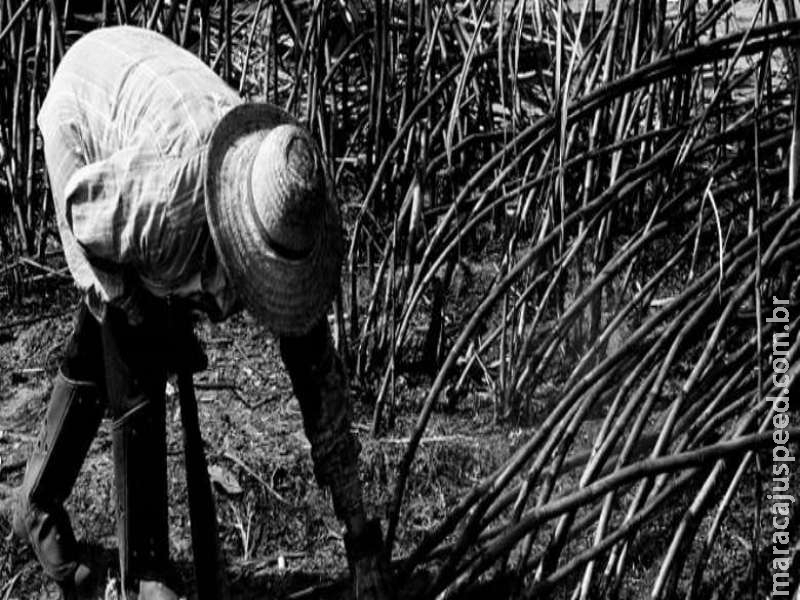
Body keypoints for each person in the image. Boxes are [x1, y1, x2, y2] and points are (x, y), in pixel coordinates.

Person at [9, 25, 393, 600]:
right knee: (131, 336)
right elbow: (83, 214)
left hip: (151, 100)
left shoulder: (289, 203)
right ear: (232, 235)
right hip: (85, 117)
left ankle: (34, 503)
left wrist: (359, 532)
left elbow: (320, 387)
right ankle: (146, 576)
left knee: (146, 315)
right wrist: (134, 302)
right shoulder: (166, 207)